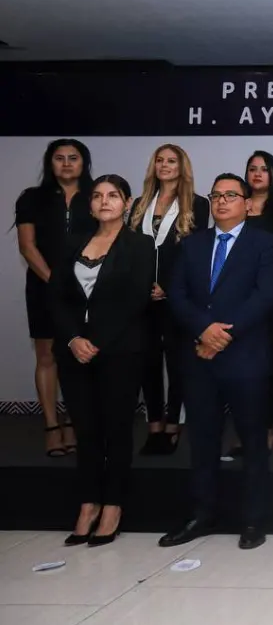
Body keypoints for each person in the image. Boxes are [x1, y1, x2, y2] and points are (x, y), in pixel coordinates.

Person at [158, 174, 273, 551]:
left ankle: (253, 520)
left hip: (245, 357)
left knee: (252, 441)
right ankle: (202, 515)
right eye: (216, 195)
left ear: (248, 203)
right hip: (199, 357)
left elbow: (265, 297)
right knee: (203, 440)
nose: (222, 201)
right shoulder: (192, 245)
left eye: (231, 195)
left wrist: (222, 335)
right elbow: (176, 294)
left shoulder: (268, 244)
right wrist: (204, 331)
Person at [51, 175, 155, 546]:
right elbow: (57, 298)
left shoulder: (140, 245)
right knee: (86, 431)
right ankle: (88, 504)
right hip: (74, 352)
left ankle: (112, 506)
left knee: (116, 430)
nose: (104, 201)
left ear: (127, 203)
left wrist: (96, 340)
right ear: (90, 204)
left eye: (113, 196)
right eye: (97, 196)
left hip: (120, 351)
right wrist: (74, 339)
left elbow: (136, 298)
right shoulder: (70, 243)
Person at [15, 138, 96, 458]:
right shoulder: (32, 198)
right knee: (47, 355)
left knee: (81, 357)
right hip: (44, 288)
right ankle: (51, 425)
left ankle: (76, 423)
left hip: (87, 289)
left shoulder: (96, 196)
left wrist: (82, 283)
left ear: (83, 163)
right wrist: (55, 283)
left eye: (73, 158)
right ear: (50, 163)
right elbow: (27, 246)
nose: (66, 163)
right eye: (59, 158)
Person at [129, 143, 210, 456]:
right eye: (159, 160)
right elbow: (131, 251)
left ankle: (174, 425)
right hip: (142, 300)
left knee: (179, 365)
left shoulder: (198, 204)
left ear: (182, 166)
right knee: (147, 364)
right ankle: (154, 427)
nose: (164, 165)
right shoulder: (139, 203)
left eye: (171, 160)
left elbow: (195, 254)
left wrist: (168, 286)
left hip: (178, 298)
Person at [222, 151, 273, 459]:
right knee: (239, 365)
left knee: (267, 363)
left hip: (272, 295)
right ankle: (246, 431)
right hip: (233, 295)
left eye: (264, 169)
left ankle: (266, 430)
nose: (257, 174)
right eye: (252, 169)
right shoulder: (234, 204)